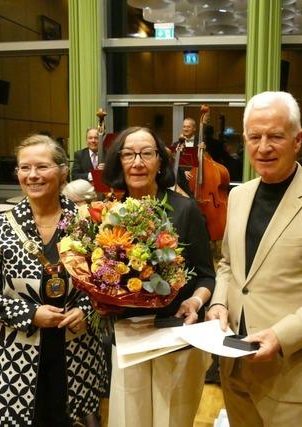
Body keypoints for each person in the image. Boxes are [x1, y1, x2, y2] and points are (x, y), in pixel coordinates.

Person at [206, 91, 302, 426]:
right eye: (255, 137)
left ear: (297, 139)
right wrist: (218, 304)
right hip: (233, 363)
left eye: (275, 136)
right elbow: (230, 266)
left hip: (288, 375)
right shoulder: (239, 195)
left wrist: (281, 335)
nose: (264, 147)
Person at [0, 134, 106, 426]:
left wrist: (86, 309)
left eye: (42, 167)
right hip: (15, 353)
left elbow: (104, 283)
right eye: (24, 168)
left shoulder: (88, 223)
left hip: (77, 350)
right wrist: (31, 314)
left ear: (62, 171)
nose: (32, 175)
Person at [101, 126, 216, 427]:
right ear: (119, 162)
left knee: (171, 421)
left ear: (161, 162)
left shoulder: (185, 209)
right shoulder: (106, 212)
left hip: (176, 335)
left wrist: (194, 301)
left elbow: (206, 276)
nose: (137, 162)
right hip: (127, 335)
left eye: (146, 153)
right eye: (128, 154)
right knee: (130, 420)